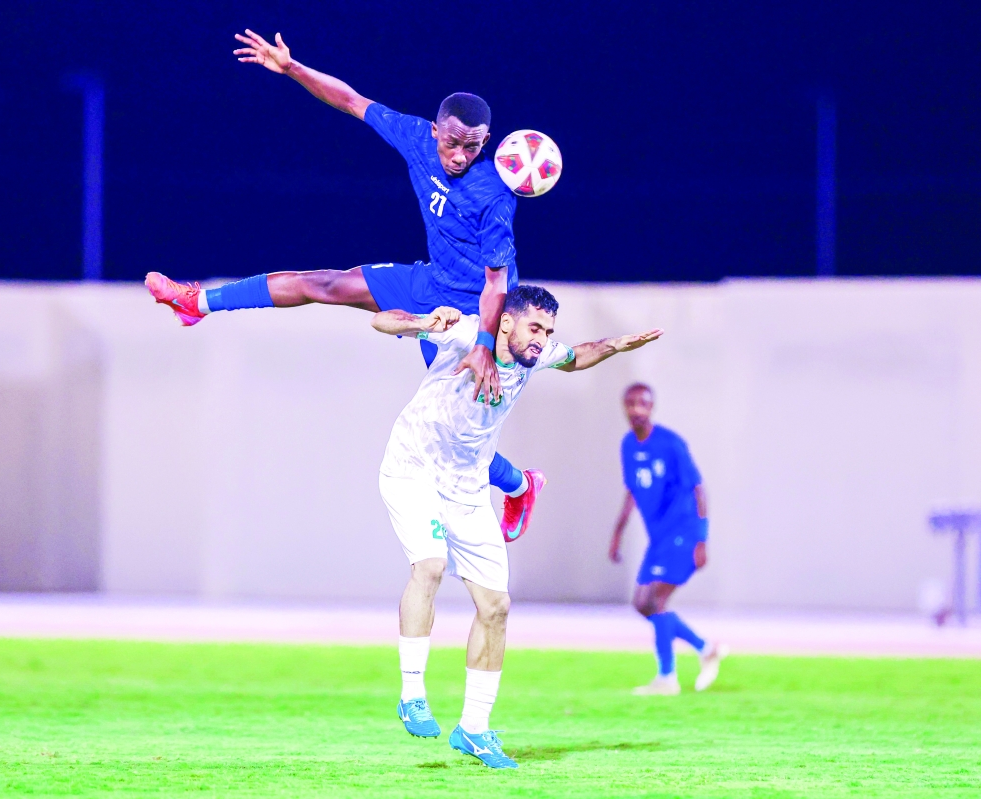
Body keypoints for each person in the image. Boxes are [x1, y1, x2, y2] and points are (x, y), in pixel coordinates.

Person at [144, 29, 543, 540]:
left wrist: (486, 345)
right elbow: (351, 100)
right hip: (427, 282)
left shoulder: (495, 197)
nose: (459, 156)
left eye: (471, 146)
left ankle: (518, 485)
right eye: (451, 142)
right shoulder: (417, 137)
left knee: (451, 433)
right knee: (325, 283)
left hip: (476, 312)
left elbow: (496, 284)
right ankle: (197, 301)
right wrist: (292, 68)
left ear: (486, 143)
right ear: (437, 129)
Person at [374, 286, 662, 768]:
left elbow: (574, 357)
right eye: (535, 329)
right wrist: (423, 323)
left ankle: (475, 729)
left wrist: (614, 344)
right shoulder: (466, 332)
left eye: (548, 331)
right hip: (413, 468)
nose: (542, 340)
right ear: (505, 323)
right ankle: (411, 693)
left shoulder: (538, 354)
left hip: (466, 488)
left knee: (497, 606)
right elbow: (383, 322)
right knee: (430, 566)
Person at [608, 383, 727, 695]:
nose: (636, 409)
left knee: (657, 600)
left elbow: (699, 490)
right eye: (630, 403)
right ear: (624, 406)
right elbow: (632, 490)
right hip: (658, 538)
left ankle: (667, 677)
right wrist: (618, 533)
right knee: (641, 604)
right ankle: (705, 648)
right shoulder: (628, 446)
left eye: (642, 403)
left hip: (683, 531)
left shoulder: (671, 444)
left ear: (652, 407)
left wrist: (702, 539)